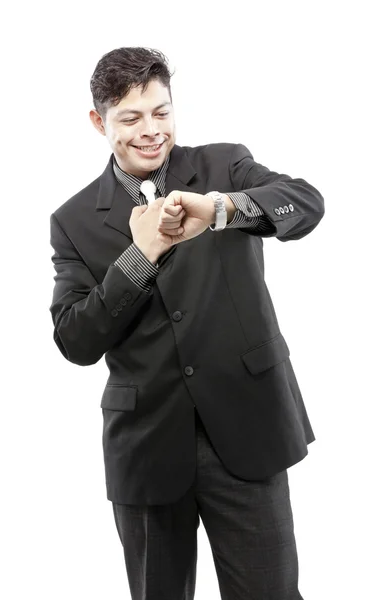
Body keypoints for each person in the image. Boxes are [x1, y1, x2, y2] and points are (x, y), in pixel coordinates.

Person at [49, 46, 325, 600]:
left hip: (247, 429)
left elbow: (305, 202)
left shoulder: (224, 165)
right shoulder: (73, 220)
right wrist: (139, 255)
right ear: (98, 122)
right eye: (130, 118)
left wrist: (221, 210)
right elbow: (75, 339)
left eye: (162, 112)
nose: (151, 131)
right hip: (147, 447)